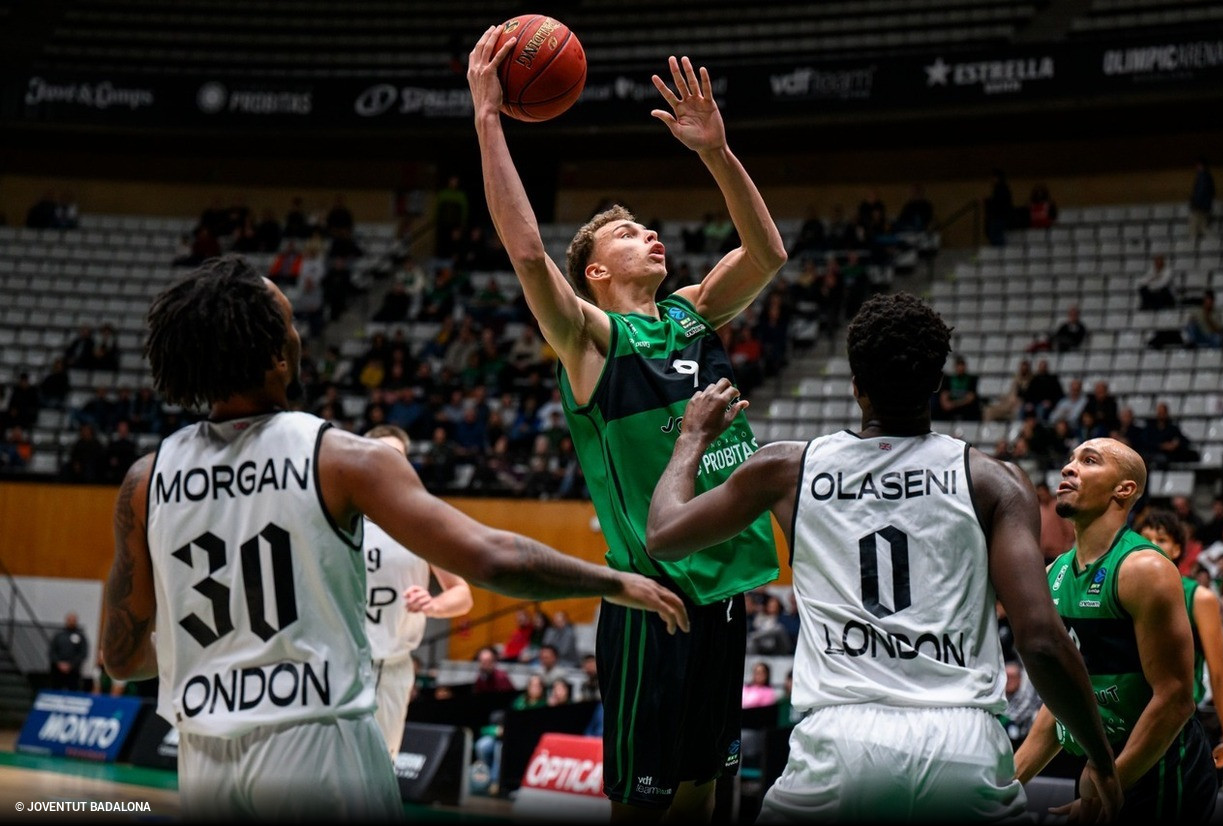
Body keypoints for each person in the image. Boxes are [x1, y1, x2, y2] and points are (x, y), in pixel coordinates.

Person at [100, 257, 688, 822]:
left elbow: (122, 657)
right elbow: (489, 556)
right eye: (291, 324)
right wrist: (614, 581)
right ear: (276, 358)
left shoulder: (145, 480)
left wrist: (218, 668)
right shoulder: (342, 457)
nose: (299, 334)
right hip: (319, 745)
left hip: (203, 758)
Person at [644, 292, 1120, 822]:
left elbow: (663, 534)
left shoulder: (785, 468)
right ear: (937, 383)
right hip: (962, 744)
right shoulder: (995, 480)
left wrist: (690, 438)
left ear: (856, 384)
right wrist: (1101, 759)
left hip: (836, 741)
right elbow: (1040, 641)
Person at [469, 32, 784, 822]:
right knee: (644, 805)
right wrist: (487, 119)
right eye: (623, 233)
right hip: (654, 602)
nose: (648, 233)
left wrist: (715, 151)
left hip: (726, 596)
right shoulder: (590, 342)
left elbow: (767, 251)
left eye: (646, 226)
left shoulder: (689, 314)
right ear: (596, 274)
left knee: (706, 794)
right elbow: (528, 256)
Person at [1014, 438, 1217, 824]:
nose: (1068, 468)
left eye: (1089, 461)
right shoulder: (1055, 572)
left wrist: (1109, 784)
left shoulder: (1145, 570)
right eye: (1070, 459)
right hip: (1104, 769)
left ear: (1123, 490)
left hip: (1160, 770)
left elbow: (1175, 699)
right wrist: (1006, 784)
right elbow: (1062, 702)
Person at [362, 424, 474, 760]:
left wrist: (435, 605)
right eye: (380, 453)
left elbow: (462, 594)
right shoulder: (338, 513)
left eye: (397, 455)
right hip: (337, 661)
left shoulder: (422, 521)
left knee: (377, 772)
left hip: (389, 664)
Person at [1137, 508, 1223, 771]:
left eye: (1161, 539)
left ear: (1177, 549)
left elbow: (1218, 674)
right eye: (1144, 538)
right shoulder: (1114, 592)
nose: (1151, 545)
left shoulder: (1198, 598)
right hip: (1122, 721)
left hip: (1174, 726)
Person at [48, 612, 88, 691]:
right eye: (70, 620)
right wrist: (59, 663)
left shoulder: (80, 636)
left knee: (73, 690)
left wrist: (71, 664)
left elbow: (83, 653)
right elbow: (52, 651)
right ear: (66, 620)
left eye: (73, 620)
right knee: (56, 689)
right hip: (57, 670)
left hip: (73, 670)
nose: (71, 622)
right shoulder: (59, 635)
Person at [1189, 157, 1215, 241]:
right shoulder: (1208, 177)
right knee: (1203, 227)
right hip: (1205, 207)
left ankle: (1193, 245)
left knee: (1194, 227)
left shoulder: (1203, 177)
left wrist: (1195, 203)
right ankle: (1213, 241)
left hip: (1199, 207)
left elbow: (1201, 192)